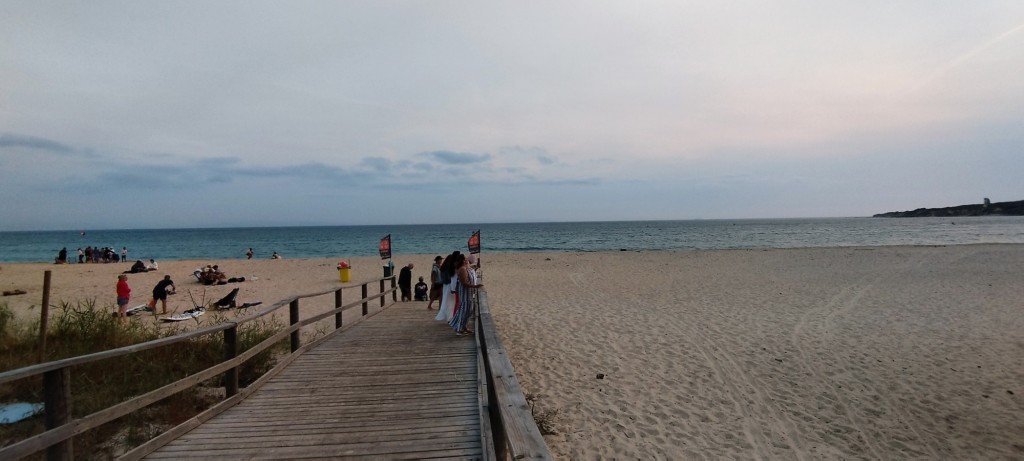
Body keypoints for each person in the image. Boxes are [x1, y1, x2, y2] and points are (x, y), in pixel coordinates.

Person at [448, 254, 482, 336]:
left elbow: (473, 269)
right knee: (464, 310)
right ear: (461, 261)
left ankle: (464, 327)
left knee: (469, 310)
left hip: (469, 293)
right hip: (465, 293)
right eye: (464, 259)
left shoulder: (466, 267)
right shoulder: (462, 269)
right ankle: (459, 329)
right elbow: (464, 283)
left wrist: (477, 265)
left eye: (466, 259)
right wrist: (475, 286)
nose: (466, 260)